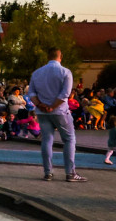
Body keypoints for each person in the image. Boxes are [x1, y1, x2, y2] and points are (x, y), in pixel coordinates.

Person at [27, 47, 86, 182]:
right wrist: (52, 106)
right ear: (61, 57)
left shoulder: (36, 73)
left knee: (47, 140)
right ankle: (70, 173)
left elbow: (31, 93)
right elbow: (65, 94)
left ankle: (48, 172)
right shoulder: (65, 72)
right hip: (60, 111)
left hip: (42, 111)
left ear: (48, 56)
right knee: (69, 139)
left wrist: (40, 105)